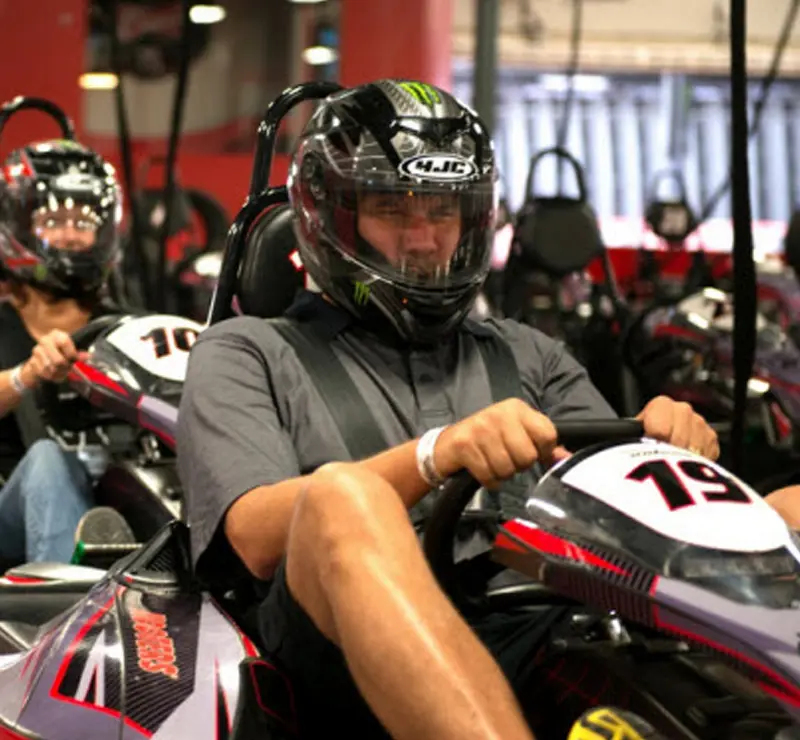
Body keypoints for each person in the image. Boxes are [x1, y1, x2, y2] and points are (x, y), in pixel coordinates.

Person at [177, 80, 794, 740]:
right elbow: (253, 536)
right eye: (394, 209)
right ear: (333, 218)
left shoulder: (528, 353)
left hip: (542, 624)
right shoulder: (246, 350)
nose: (423, 239)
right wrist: (434, 454)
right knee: (343, 498)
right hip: (337, 658)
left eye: (443, 213)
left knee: (787, 507)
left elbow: (616, 494)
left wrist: (664, 443)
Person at [0, 138, 123, 563]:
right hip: (8, 516)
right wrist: (26, 376)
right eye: (52, 220)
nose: (70, 237)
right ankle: (69, 620)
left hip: (115, 503)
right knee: (49, 460)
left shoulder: (130, 326)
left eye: (83, 222)